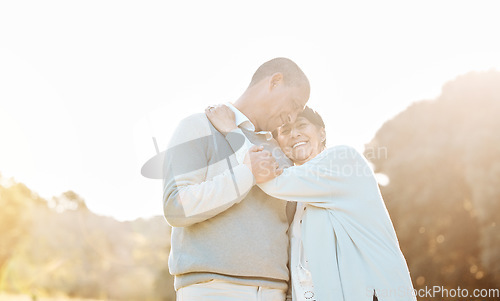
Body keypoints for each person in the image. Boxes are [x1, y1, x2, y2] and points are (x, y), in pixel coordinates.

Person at [206, 105, 417, 301]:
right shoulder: (292, 201)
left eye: (302, 125)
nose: (294, 133)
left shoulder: (343, 161)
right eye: (285, 130)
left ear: (322, 133)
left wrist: (231, 131)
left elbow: (271, 180)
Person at [162, 57, 310, 300]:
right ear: (275, 81)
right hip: (212, 289)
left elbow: (295, 232)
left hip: (276, 292)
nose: (292, 118)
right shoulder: (198, 127)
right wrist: (247, 174)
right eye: (293, 104)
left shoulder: (282, 151)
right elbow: (175, 206)